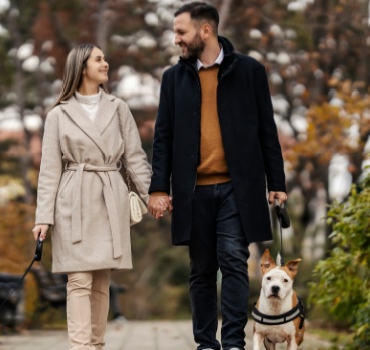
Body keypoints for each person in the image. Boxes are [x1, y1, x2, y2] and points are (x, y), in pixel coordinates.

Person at [148, 2, 288, 350]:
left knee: (234, 261)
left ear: (205, 30)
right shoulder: (173, 79)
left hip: (236, 189)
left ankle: (233, 342)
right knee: (202, 270)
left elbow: (267, 131)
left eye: (181, 32)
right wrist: (157, 189)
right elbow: (162, 137)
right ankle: (205, 344)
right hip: (192, 191)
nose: (176, 39)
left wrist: (278, 184)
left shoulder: (250, 71)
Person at [32, 43, 151, 350]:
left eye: (104, 58)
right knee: (79, 280)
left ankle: (96, 345)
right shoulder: (58, 115)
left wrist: (152, 196)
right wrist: (43, 217)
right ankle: (80, 347)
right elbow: (49, 170)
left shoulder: (118, 108)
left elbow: (135, 158)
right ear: (82, 66)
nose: (105, 63)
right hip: (74, 198)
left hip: (110, 196)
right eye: (98, 59)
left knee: (100, 281)